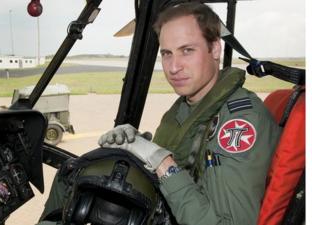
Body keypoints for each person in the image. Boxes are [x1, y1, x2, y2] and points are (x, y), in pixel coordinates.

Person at [39, 3, 281, 225]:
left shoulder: (237, 123)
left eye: (187, 50)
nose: (173, 67)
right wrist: (136, 142)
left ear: (215, 48)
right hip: (172, 208)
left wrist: (161, 161)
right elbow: (185, 159)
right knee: (72, 175)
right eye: (167, 53)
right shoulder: (188, 105)